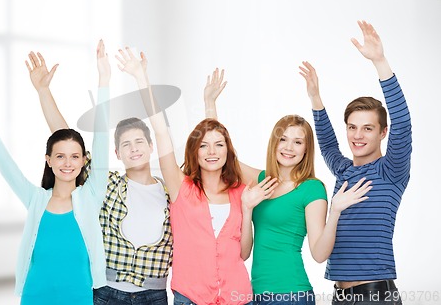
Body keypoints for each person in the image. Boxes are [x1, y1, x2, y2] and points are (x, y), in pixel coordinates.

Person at [115, 47, 278, 305]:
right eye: (203, 146)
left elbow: (244, 253)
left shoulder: (240, 192)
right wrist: (141, 78)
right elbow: (160, 131)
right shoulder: (181, 187)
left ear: (228, 150)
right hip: (190, 297)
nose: (212, 152)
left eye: (219, 145)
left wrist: (247, 210)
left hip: (238, 298)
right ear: (194, 152)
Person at [0, 41, 111, 305]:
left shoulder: (91, 195)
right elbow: (5, 164)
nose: (67, 163)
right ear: (48, 160)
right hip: (35, 295)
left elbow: (102, 138)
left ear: (85, 161)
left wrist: (104, 80)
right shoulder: (36, 199)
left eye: (75, 156)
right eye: (60, 156)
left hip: (79, 296)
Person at [204, 69, 372, 305]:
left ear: (306, 149)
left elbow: (319, 253)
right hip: (256, 293)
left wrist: (334, 212)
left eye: (298, 141)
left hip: (292, 295)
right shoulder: (261, 180)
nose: (289, 147)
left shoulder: (311, 189)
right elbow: (223, 158)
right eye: (283, 139)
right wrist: (210, 106)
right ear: (274, 142)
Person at [25, 46, 172, 305]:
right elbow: (66, 140)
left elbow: (163, 131)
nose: (134, 148)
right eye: (125, 144)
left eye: (139, 141)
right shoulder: (106, 184)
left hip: (154, 294)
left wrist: (142, 78)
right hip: (107, 292)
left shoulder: (171, 189)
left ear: (151, 147)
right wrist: (43, 91)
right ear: (116, 152)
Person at [299, 20, 412, 305]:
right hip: (340, 296)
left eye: (368, 128)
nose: (357, 135)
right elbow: (326, 143)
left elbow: (403, 122)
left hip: (375, 296)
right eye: (352, 127)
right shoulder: (343, 170)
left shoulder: (391, 170)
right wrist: (315, 98)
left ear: (382, 132)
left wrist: (380, 62)